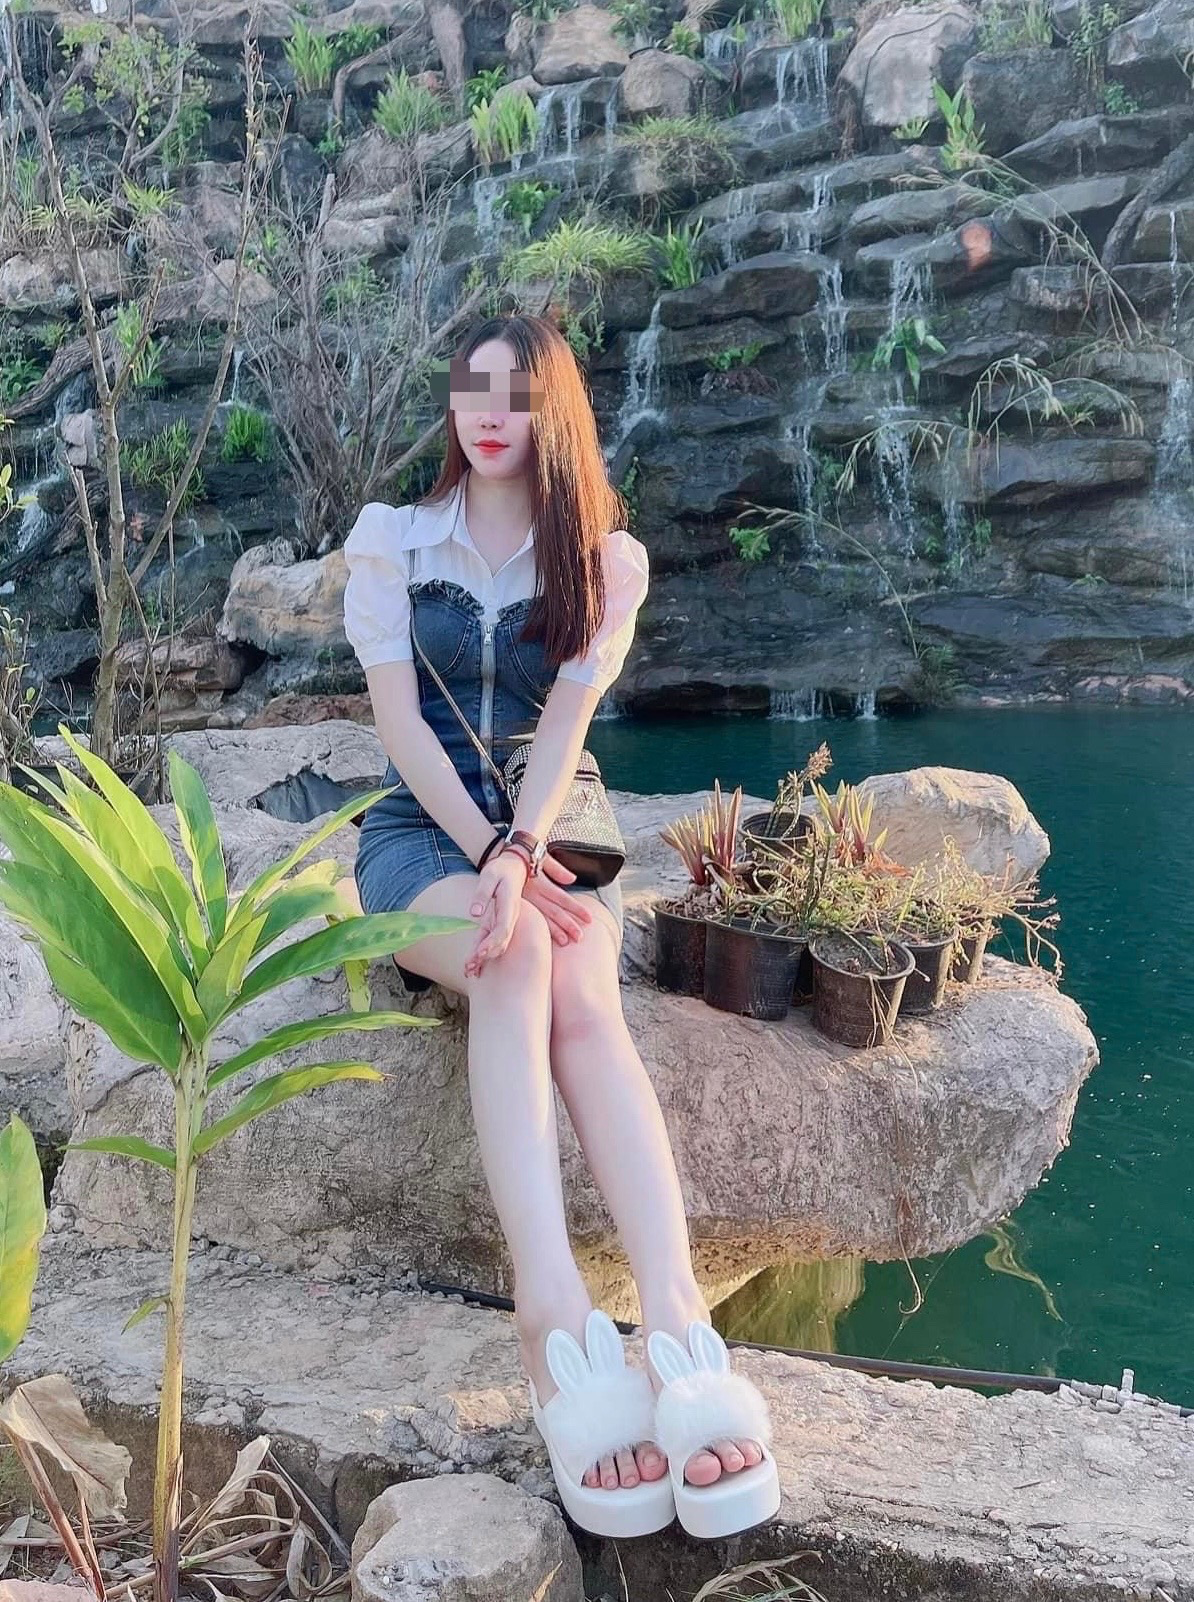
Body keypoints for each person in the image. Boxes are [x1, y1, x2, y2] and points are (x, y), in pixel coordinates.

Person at [342, 313, 779, 1541]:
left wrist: (524, 847)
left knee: (582, 985)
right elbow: (401, 730)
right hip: (421, 833)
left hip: (552, 819)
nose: (491, 413)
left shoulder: (600, 561)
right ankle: (552, 1318)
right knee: (517, 950)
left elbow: (568, 733)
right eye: (471, 388)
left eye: (517, 392)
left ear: (555, 410)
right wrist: (488, 858)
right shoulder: (393, 541)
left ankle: (678, 1318)